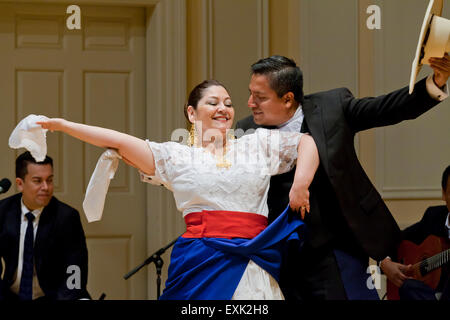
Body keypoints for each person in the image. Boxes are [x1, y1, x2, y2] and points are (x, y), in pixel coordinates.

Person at [35, 79, 320, 300]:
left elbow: (306, 143)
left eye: (228, 103)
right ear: (191, 112)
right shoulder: (176, 156)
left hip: (253, 256)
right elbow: (119, 141)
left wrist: (301, 184)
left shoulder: (256, 144)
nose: (223, 108)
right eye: (213, 102)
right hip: (201, 260)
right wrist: (62, 125)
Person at [235, 54, 450, 300]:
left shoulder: (332, 107)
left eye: (260, 97)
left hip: (337, 249)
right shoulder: (245, 131)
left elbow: (385, 109)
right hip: (280, 257)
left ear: (287, 99)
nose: (250, 102)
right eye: (251, 93)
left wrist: (434, 83)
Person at [0, 151, 90, 300]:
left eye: (49, 180)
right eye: (37, 181)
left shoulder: (66, 217)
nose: (46, 187)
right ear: (20, 184)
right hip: (10, 295)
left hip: (54, 296)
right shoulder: (3, 212)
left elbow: (75, 269)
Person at [380, 165, 450, 300]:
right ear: (443, 194)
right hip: (428, 294)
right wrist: (386, 262)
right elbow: (396, 239)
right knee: (407, 286)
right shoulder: (433, 217)